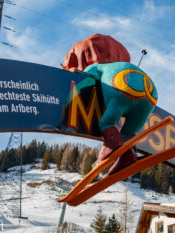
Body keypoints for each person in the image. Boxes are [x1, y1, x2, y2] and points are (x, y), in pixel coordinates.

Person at [63, 34, 157, 174]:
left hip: (122, 86)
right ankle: (128, 154)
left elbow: (89, 76)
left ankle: (111, 143)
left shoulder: (99, 66)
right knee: (129, 132)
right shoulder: (123, 64)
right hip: (151, 95)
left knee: (106, 123)